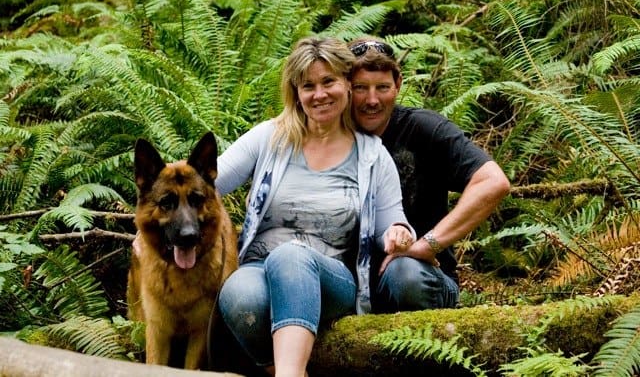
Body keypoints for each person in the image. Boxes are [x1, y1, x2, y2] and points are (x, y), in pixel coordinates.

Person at [214, 36, 416, 377]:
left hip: (330, 277)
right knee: (240, 293)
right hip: (258, 268)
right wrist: (152, 233)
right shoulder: (270, 138)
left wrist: (399, 233)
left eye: (328, 82)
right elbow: (204, 182)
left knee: (290, 255)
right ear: (297, 92)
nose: (319, 94)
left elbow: (392, 221)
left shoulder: (371, 154)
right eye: (308, 86)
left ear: (346, 85)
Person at [347, 37, 511, 313]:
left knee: (404, 274)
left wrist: (428, 244)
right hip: (353, 286)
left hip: (417, 279)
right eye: (361, 88)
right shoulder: (331, 138)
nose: (372, 100)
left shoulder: (424, 129)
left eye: (382, 88)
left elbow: (493, 182)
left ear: (398, 85)